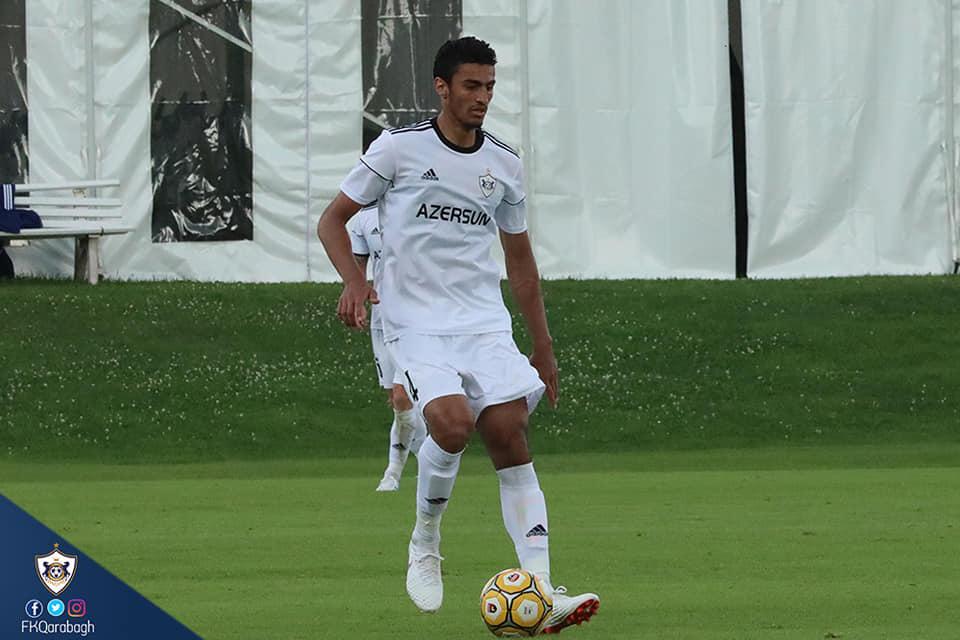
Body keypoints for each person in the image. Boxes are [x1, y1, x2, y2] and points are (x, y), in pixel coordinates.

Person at [317, 36, 599, 633]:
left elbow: (520, 264)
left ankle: (542, 590)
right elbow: (332, 221)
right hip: (416, 324)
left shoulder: (504, 165)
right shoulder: (398, 149)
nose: (483, 97)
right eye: (472, 86)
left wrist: (543, 345)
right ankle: (425, 542)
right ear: (442, 88)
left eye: (490, 86)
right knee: (450, 425)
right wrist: (354, 281)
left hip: (482, 323)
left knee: (508, 429)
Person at [346, 204, 428, 491]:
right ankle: (431, 457)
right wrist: (356, 300)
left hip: (418, 317)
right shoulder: (362, 219)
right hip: (382, 320)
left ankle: (392, 472)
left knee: (402, 396)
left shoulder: (414, 205)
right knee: (397, 400)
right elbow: (358, 269)